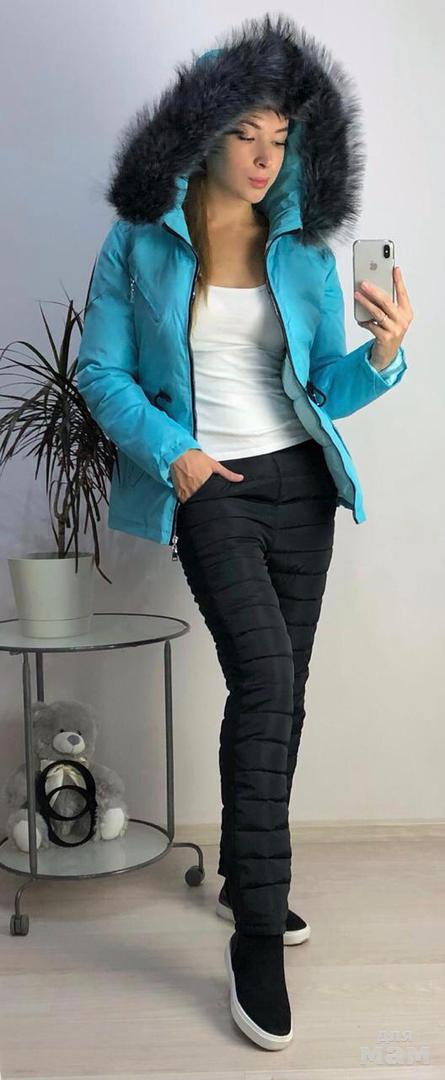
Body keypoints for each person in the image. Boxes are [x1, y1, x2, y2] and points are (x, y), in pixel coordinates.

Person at [76, 13, 412, 1052]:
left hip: (299, 485)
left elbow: (321, 389)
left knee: (281, 692)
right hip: (207, 481)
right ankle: (257, 933)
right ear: (203, 130)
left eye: (281, 138)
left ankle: (240, 879)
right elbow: (100, 372)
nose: (266, 159)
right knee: (264, 680)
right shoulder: (141, 239)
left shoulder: (302, 248)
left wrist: (385, 354)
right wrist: (172, 454)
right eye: (245, 135)